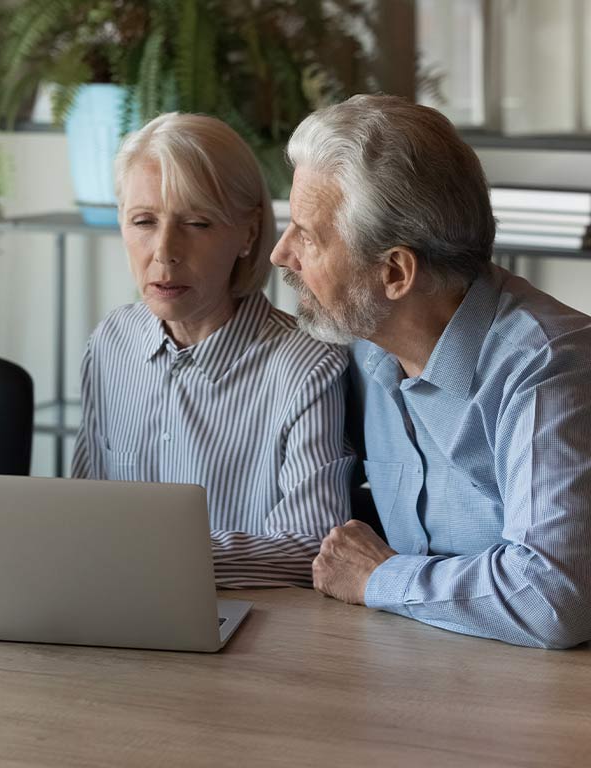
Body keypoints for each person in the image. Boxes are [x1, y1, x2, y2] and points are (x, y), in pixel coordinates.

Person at [272, 93, 591, 648]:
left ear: (395, 272)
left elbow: (552, 597)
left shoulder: (549, 368)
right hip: (415, 672)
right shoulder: (368, 346)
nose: (280, 254)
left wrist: (379, 577)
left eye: (309, 236)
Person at [72, 112, 352, 588]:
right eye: (143, 221)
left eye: (197, 223)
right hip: (110, 611)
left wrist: (155, 558)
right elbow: (80, 516)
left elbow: (314, 547)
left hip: (250, 632)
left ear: (247, 234)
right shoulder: (110, 343)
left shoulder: (307, 367)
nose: (164, 251)